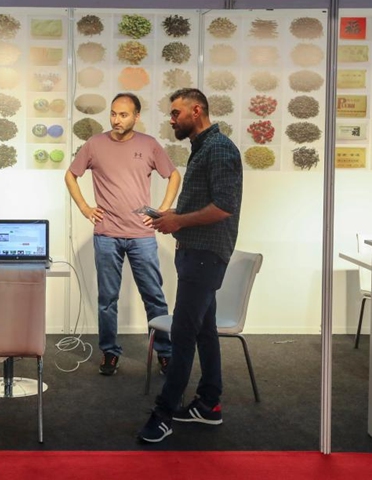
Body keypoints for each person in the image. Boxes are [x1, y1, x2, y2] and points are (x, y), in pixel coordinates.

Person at [137, 88, 243, 443]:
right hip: (197, 253)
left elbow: (224, 206)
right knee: (203, 330)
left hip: (205, 255)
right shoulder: (203, 149)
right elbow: (207, 203)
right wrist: (173, 215)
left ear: (197, 111)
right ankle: (209, 404)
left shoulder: (220, 150)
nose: (171, 120)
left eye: (175, 113)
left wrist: (179, 222)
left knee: (182, 333)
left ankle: (163, 413)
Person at [65, 93, 181, 376]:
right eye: (114, 114)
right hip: (106, 234)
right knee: (107, 298)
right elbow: (71, 174)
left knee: (154, 296)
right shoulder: (94, 144)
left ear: (136, 117)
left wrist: (162, 210)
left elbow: (174, 175)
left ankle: (165, 352)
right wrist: (84, 207)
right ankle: (109, 352)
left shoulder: (149, 145)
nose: (117, 119)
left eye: (124, 115)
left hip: (142, 235)